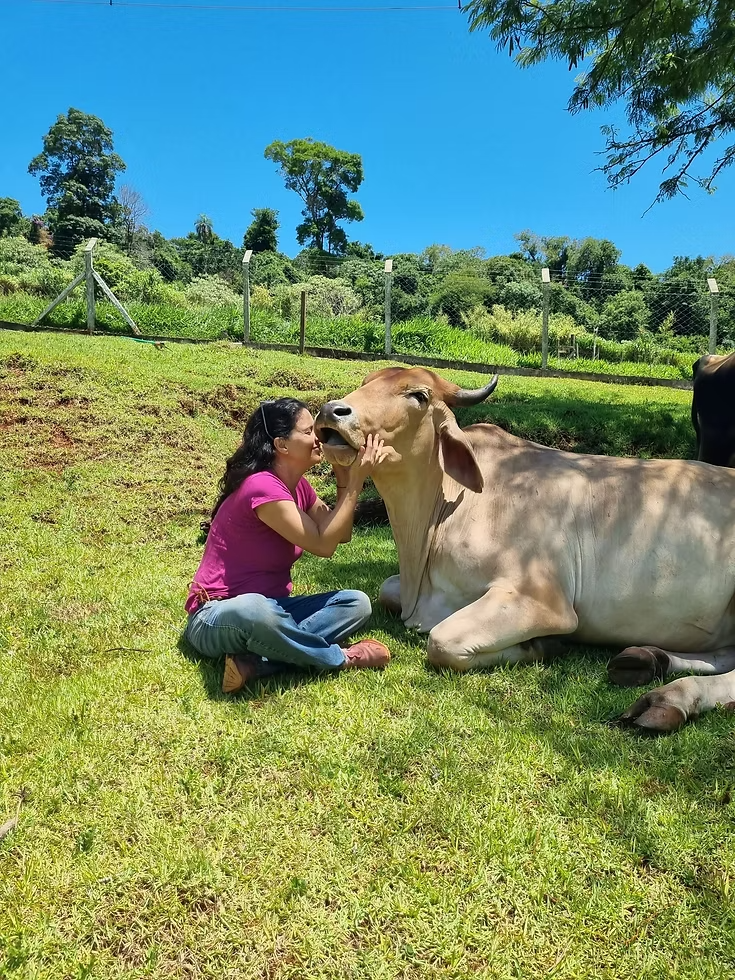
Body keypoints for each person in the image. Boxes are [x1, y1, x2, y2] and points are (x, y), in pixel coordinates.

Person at [184, 396, 391, 694]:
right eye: (308, 432)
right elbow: (323, 545)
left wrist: (345, 474)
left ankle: (257, 662)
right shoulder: (262, 486)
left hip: (274, 609)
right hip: (217, 616)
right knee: (256, 608)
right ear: (282, 445)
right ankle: (340, 658)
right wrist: (358, 480)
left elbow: (338, 535)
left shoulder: (300, 488)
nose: (317, 439)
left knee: (356, 603)